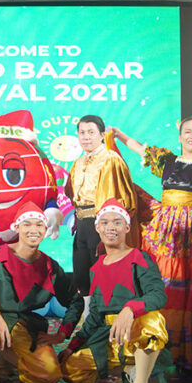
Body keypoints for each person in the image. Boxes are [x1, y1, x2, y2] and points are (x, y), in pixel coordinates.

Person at [112, 116, 192, 372]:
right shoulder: (166, 160)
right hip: (166, 229)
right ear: (180, 135)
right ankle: (158, 345)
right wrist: (119, 135)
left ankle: (190, 352)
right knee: (164, 281)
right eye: (188, 132)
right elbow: (139, 148)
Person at [58, 199, 169, 383]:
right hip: (108, 337)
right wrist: (73, 345)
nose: (111, 227)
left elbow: (158, 295)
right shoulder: (96, 268)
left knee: (153, 320)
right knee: (71, 370)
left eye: (117, 222)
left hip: (135, 330)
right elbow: (95, 313)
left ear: (127, 227)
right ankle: (130, 369)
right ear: (97, 228)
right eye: (105, 222)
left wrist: (130, 309)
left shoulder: (140, 258)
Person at [0, 202, 79, 383]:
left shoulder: (50, 266)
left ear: (45, 229)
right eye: (27, 224)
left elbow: (75, 300)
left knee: (50, 375)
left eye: (39, 225)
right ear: (16, 228)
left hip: (24, 326)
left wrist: (62, 333)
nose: (34, 230)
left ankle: (5, 358)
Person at [66, 114, 139, 294]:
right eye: (82, 132)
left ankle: (107, 311)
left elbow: (122, 197)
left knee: (103, 274)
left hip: (102, 224)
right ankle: (87, 310)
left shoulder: (110, 160)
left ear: (102, 135)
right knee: (82, 274)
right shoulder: (77, 163)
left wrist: (109, 227)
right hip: (81, 223)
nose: (86, 137)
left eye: (91, 132)